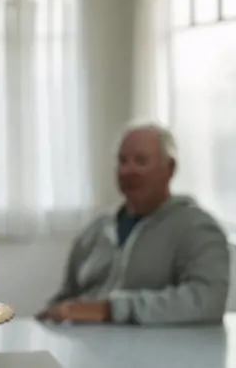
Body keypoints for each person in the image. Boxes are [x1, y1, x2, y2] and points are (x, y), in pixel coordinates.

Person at [36, 123, 230, 325]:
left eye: (141, 161)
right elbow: (68, 299)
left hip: (156, 354)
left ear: (170, 168)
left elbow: (208, 301)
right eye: (122, 161)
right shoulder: (95, 231)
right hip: (86, 349)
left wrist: (111, 309)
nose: (128, 170)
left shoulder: (197, 229)